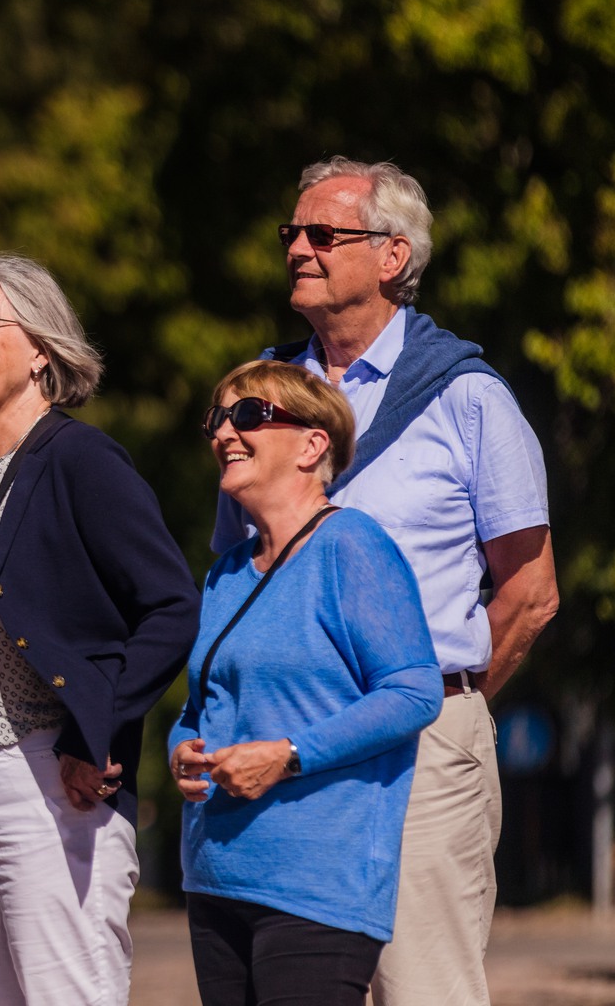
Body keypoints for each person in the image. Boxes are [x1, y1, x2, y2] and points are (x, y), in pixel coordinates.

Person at [215, 157, 559, 1003]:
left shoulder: (468, 397)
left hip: (422, 747)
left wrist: (452, 703)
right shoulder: (262, 401)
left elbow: (530, 589)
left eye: (323, 234)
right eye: (292, 233)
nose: (298, 247)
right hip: (283, 752)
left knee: (421, 987)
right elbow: (229, 573)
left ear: (393, 257)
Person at [0, 252, 199, 1006]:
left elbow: (170, 606)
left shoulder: (82, 460)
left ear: (41, 351)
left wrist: (99, 732)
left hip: (47, 785)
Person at [175, 360, 443, 1004]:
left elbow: (413, 691)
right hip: (215, 879)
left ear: (313, 444)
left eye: (249, 416)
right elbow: (199, 707)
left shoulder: (352, 545)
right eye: (217, 419)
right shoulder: (226, 572)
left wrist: (288, 756)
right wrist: (180, 751)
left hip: (318, 888)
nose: (224, 434)